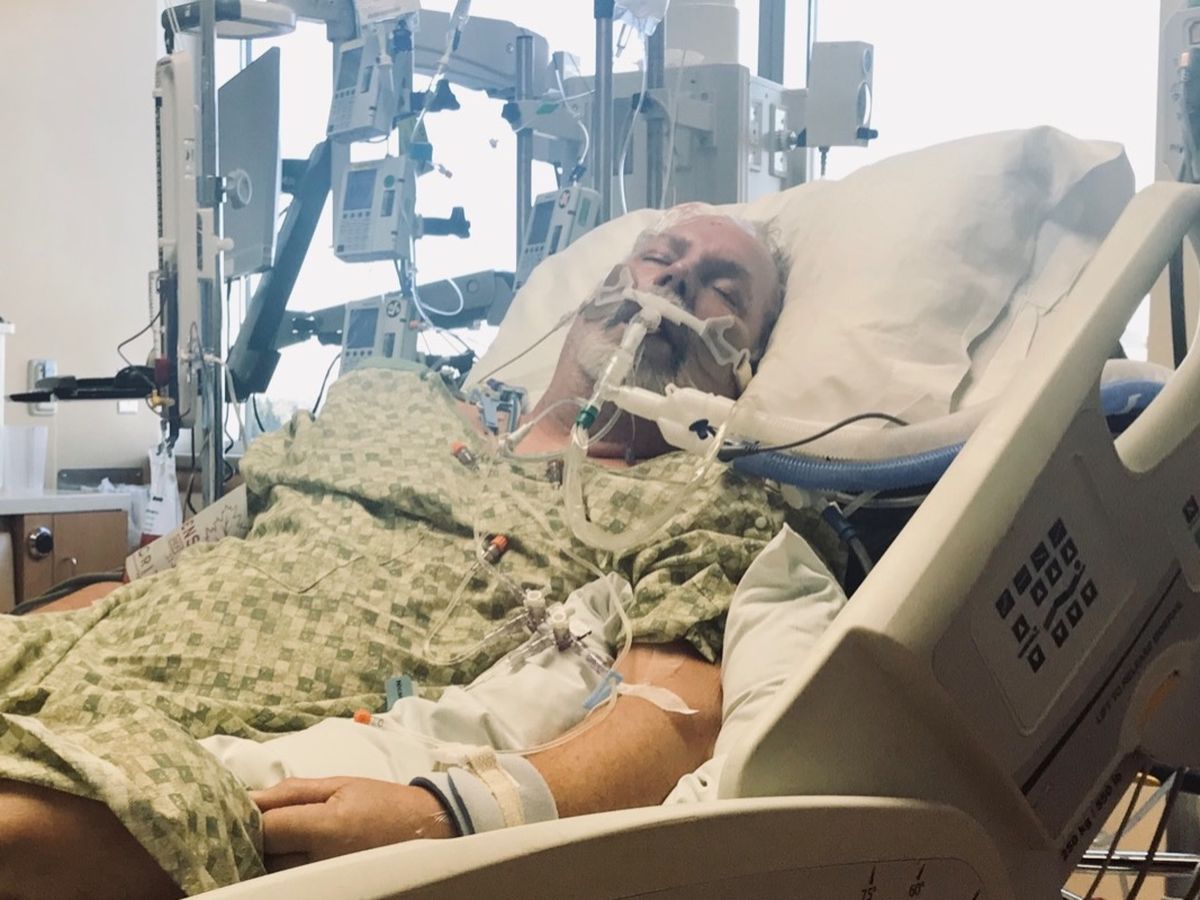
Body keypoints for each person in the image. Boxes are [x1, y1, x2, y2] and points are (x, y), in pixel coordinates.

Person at [0, 212, 843, 899]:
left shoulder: (699, 502)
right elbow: (173, 562)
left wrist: (451, 817)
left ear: (745, 367)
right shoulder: (387, 397)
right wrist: (35, 629)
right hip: (66, 652)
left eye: (722, 286)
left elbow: (672, 720)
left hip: (177, 747)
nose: (677, 280)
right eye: (662, 256)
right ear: (594, 295)